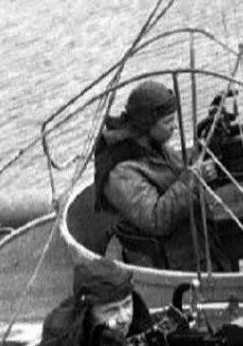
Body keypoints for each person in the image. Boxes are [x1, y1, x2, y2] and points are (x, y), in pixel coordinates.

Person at [93, 80, 219, 271]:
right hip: (166, 260)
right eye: (168, 122)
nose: (174, 127)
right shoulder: (120, 172)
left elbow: (180, 174)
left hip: (193, 241)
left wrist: (205, 153)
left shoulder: (152, 146)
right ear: (147, 124)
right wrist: (193, 179)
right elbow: (155, 220)